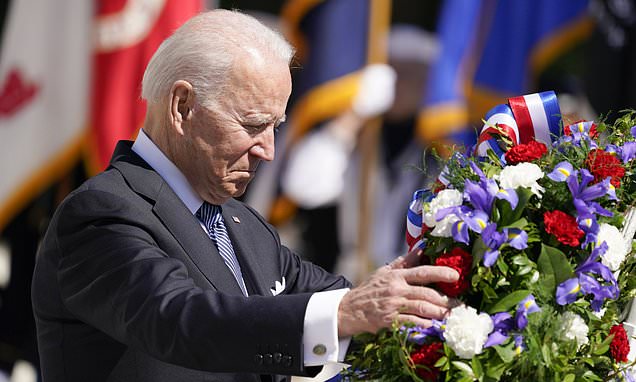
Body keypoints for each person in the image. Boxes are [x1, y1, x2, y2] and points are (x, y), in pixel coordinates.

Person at [31, 10, 458, 382]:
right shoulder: (101, 213)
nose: (269, 150)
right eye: (253, 125)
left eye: (275, 127)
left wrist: (447, 289)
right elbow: (181, 318)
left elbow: (342, 302)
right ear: (182, 107)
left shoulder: (243, 225)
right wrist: (347, 311)